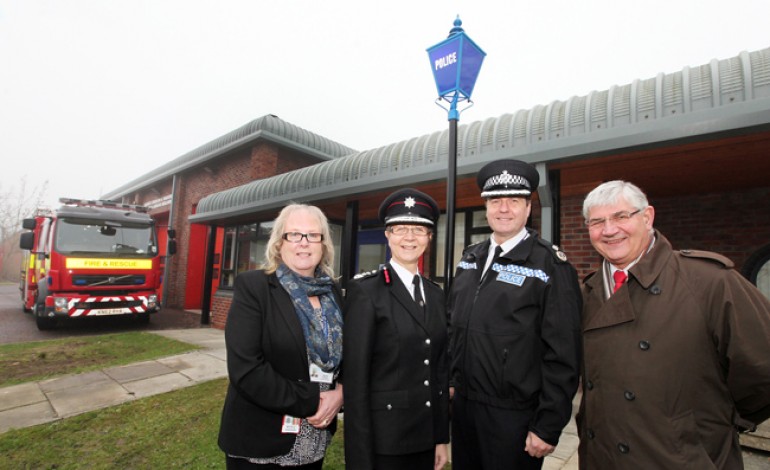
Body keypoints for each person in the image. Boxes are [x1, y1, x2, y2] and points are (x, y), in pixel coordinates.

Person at [578, 180, 770, 469]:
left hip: (682, 458)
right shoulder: (586, 293)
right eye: (597, 222)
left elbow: (762, 370)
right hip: (602, 456)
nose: (609, 230)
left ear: (647, 217)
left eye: (621, 216)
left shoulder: (709, 281)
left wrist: (703, 425)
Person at [447, 159, 582, 470]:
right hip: (465, 409)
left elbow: (563, 354)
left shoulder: (550, 265)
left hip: (514, 417)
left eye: (514, 200)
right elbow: (454, 326)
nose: (504, 208)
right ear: (486, 206)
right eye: (496, 200)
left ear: (528, 207)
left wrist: (547, 424)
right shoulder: (470, 258)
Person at [218, 204, 344, 469]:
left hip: (314, 440)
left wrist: (341, 392)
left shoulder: (332, 291)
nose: (304, 243)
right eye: (294, 235)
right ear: (279, 242)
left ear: (323, 243)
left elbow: (350, 354)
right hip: (261, 442)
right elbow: (246, 369)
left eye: (313, 235)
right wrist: (313, 401)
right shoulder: (255, 287)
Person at [343, 188, 450, 470]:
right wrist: (360, 459)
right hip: (385, 443)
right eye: (401, 229)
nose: (410, 238)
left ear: (429, 237)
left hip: (425, 438)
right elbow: (355, 384)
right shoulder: (366, 291)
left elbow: (438, 372)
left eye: (419, 230)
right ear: (387, 235)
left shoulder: (436, 294)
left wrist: (441, 438)